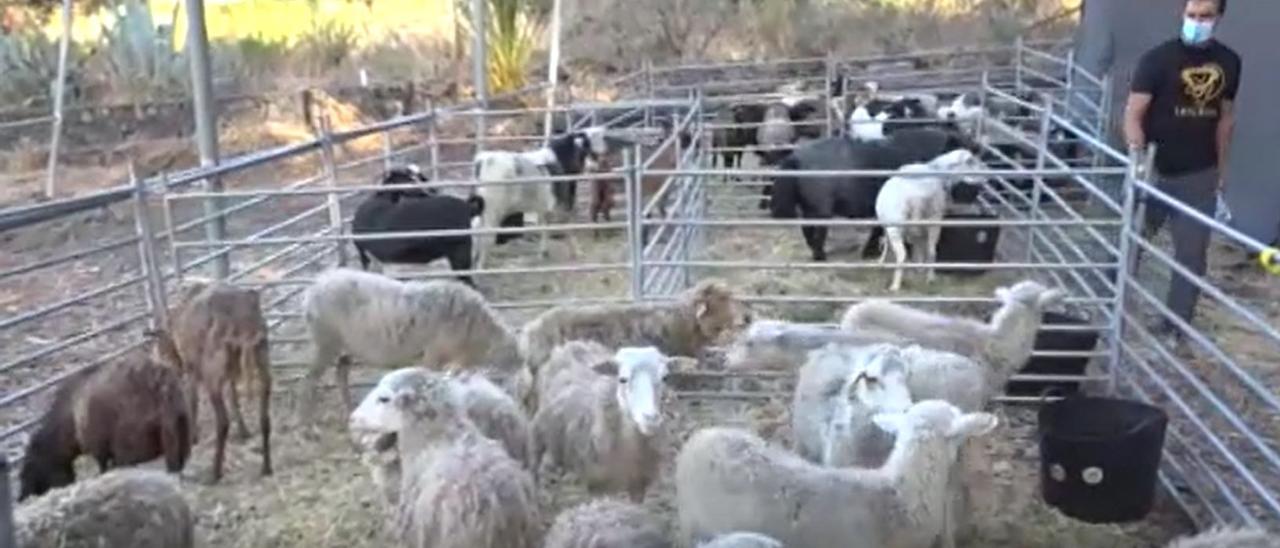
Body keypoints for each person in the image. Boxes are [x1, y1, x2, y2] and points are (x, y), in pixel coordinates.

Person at [1123, 0, 1241, 342]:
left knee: (1191, 257)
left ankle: (1176, 327)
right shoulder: (1157, 60)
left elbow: (1226, 119)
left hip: (1199, 174)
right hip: (1155, 171)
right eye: (1192, 15)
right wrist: (1138, 156)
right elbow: (1134, 113)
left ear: (1219, 17)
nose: (1197, 22)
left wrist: (1221, 169)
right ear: (1183, 13)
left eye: (1205, 16)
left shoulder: (1229, 63)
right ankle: (1113, 307)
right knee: (1131, 241)